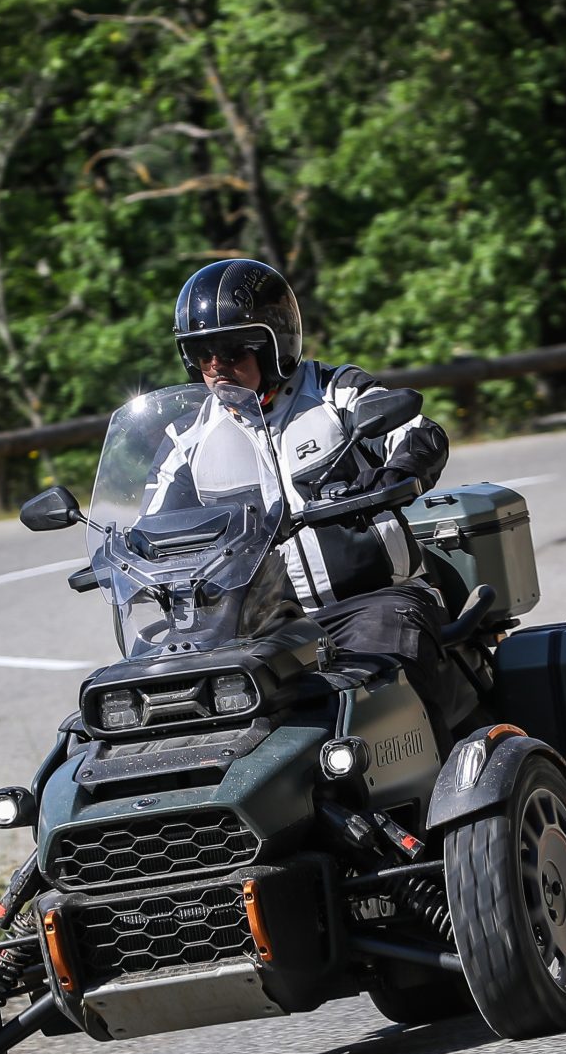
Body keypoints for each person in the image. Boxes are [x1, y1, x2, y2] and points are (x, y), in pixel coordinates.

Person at [170, 258, 476, 734]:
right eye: (201, 352)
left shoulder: (334, 392)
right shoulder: (187, 439)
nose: (215, 366)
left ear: (275, 345)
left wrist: (393, 475)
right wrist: (127, 551)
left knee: (382, 689)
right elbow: (152, 521)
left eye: (231, 350)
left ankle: (432, 771)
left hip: (375, 599)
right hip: (262, 625)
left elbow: (418, 433)